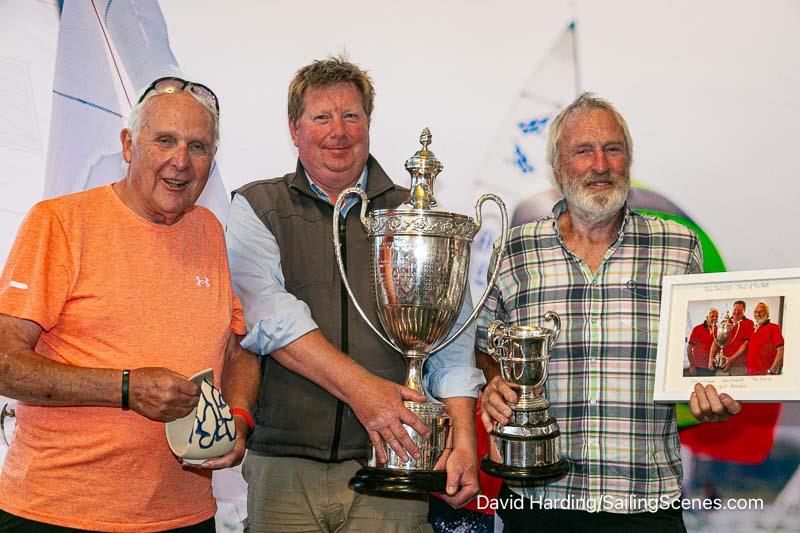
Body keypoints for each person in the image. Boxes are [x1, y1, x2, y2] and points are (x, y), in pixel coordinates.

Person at [224, 56, 483, 532]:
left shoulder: (416, 215)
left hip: (393, 465)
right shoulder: (257, 207)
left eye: (351, 116)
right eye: (321, 117)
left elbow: (452, 342)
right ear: (293, 128)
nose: (338, 131)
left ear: (369, 124)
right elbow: (271, 319)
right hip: (284, 467)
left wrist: (463, 438)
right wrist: (367, 394)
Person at [476, 93, 740, 532]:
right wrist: (493, 379)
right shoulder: (516, 248)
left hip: (646, 501)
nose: (600, 164)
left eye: (613, 149)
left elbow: (703, 354)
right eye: (583, 151)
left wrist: (713, 392)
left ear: (628, 162)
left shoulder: (677, 246)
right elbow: (483, 345)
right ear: (558, 169)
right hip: (540, 500)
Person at [0, 78, 251, 532]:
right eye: (165, 141)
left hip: (185, 516)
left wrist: (238, 418)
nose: (181, 161)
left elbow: (237, 349)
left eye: (198, 146)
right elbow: (4, 364)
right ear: (129, 145)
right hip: (59, 514)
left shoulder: (208, 230)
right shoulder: (58, 222)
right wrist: (125, 388)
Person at [709, 300, 754, 376]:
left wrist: (731, 359)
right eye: (735, 309)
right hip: (721, 364)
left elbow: (746, 344)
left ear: (744, 311)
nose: (736, 312)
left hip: (738, 366)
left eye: (740, 310)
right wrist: (710, 358)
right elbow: (716, 341)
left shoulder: (749, 323)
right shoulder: (725, 322)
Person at [747, 301, 784, 375]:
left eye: (761, 312)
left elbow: (781, 350)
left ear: (767, 313)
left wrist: (771, 371)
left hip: (765, 375)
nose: (758, 314)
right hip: (749, 374)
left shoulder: (774, 328)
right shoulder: (752, 330)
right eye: (756, 312)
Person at [687, 308, 718, 377]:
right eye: (712, 316)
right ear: (707, 317)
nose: (715, 318)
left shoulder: (718, 330)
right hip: (698, 367)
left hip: (712, 367)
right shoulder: (697, 329)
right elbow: (689, 349)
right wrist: (692, 365)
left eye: (716, 316)